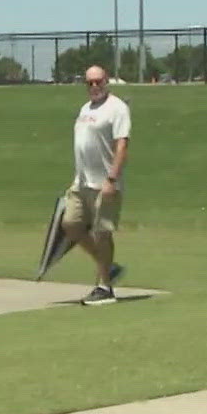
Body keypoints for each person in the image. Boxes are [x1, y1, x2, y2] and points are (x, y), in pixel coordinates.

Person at [63, 65, 129, 305]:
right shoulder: (85, 108)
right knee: (70, 225)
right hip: (81, 183)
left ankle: (104, 287)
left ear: (106, 81)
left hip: (105, 183)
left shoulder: (117, 108)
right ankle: (108, 266)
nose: (94, 87)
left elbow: (122, 145)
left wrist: (112, 179)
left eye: (98, 81)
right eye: (89, 83)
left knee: (102, 233)